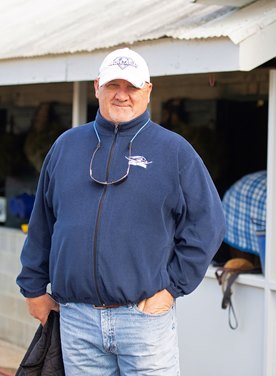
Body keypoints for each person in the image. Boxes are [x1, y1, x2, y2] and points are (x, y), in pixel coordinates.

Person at [16, 47, 226, 375]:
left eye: (132, 87)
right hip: (77, 321)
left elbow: (208, 224)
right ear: (97, 86)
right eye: (114, 85)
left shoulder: (175, 152)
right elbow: (43, 221)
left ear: (148, 90)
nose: (122, 96)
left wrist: (172, 288)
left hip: (143, 321)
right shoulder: (65, 147)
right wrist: (33, 288)